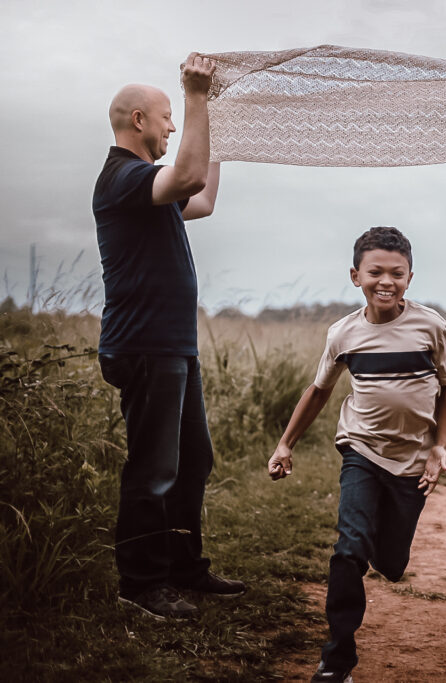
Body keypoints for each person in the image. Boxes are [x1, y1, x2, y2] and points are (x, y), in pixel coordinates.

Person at [267, 226, 446, 683]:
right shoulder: (343, 333)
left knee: (392, 564)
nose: (386, 281)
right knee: (348, 550)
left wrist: (440, 446)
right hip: (360, 449)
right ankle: (336, 660)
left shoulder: (429, 327)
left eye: (396, 273)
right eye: (375, 271)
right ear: (355, 275)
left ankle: (380, 547)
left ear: (410, 277)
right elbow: (319, 391)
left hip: (413, 459)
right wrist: (285, 443)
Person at [94, 53, 244, 621]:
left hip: (171, 347)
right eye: (166, 118)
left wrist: (219, 131)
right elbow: (186, 176)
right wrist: (197, 95)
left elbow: (200, 198)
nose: (173, 126)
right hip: (144, 347)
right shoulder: (122, 178)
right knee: (153, 470)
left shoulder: (148, 185)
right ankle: (140, 584)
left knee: (191, 461)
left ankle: (184, 568)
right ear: (139, 120)